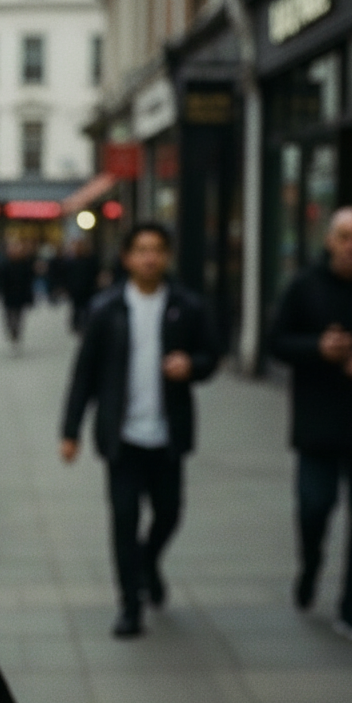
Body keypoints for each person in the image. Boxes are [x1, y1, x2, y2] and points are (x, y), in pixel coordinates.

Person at [60, 223, 220, 638]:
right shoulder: (106, 308)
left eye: (157, 250)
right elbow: (85, 374)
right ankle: (130, 604)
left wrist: (193, 366)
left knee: (169, 512)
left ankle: (149, 563)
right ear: (127, 257)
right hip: (122, 437)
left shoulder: (187, 305)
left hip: (168, 435)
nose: (150, 257)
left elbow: (211, 356)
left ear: (167, 256)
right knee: (124, 519)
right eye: (141, 249)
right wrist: (70, 430)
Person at [268, 207, 352, 642]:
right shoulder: (304, 286)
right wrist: (318, 348)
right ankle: (310, 564)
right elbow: (275, 342)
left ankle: (351, 606)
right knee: (315, 507)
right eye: (345, 236)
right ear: (329, 240)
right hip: (318, 424)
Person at [0, 238, 35, 347]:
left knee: (19, 316)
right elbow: (1, 281)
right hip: (9, 296)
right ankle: (11, 330)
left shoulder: (25, 265)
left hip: (20, 295)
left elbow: (29, 282)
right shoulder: (5, 265)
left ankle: (16, 332)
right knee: (9, 316)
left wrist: (29, 297)